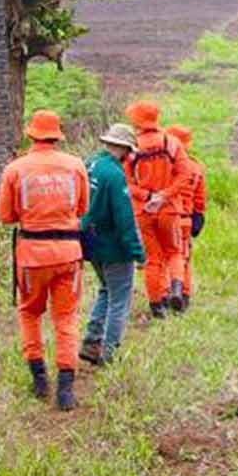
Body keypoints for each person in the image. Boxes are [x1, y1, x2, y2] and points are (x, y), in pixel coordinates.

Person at [0, 109, 91, 410]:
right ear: (57, 135)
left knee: (30, 313)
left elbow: (5, 216)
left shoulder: (15, 169)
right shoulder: (75, 166)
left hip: (31, 256)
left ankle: (39, 378)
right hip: (68, 254)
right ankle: (66, 388)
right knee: (66, 317)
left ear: (32, 134)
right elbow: (82, 208)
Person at [78, 123, 143, 366]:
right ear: (125, 149)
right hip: (113, 245)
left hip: (90, 242)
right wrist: (137, 252)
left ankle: (92, 340)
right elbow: (125, 217)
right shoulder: (114, 174)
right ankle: (110, 353)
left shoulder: (89, 164)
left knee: (106, 289)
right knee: (120, 298)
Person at [124, 101, 196, 317]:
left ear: (136, 121)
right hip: (169, 209)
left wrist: (147, 197)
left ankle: (157, 305)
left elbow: (125, 182)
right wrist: (164, 195)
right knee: (174, 252)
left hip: (144, 211)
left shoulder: (132, 147)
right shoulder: (171, 142)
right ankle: (176, 288)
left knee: (153, 258)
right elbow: (185, 174)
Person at [168, 124, 207, 307]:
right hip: (186, 219)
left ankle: (164, 295)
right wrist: (198, 217)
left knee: (163, 258)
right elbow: (200, 198)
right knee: (184, 258)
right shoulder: (195, 167)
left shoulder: (163, 165)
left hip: (166, 215)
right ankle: (184, 295)